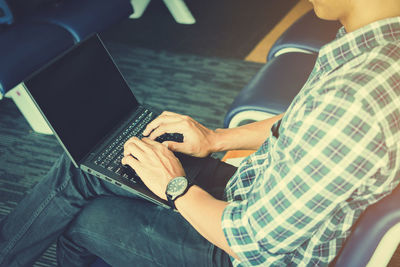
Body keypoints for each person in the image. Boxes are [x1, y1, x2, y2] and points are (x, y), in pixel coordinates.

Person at [1, 0, 400, 265]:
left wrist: (175, 187)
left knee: (83, 223)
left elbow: (251, 242)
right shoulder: (375, 45)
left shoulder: (354, 99)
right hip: (262, 189)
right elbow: (299, 123)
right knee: (88, 166)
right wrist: (215, 139)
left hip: (250, 247)